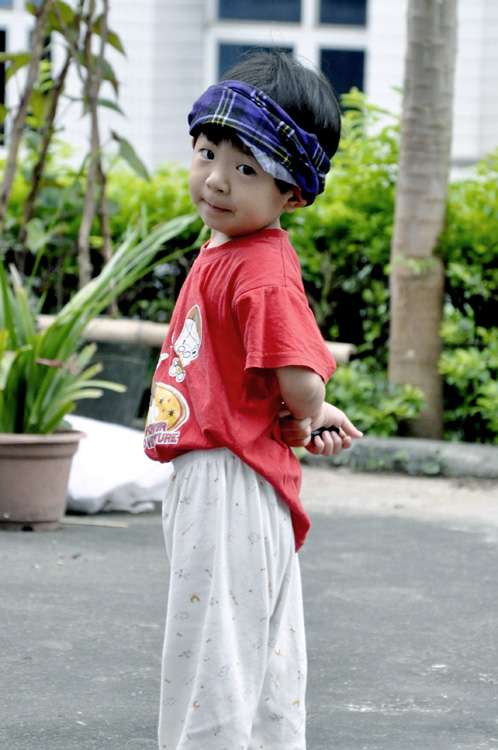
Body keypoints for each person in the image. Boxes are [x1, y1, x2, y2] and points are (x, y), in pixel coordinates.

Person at [144, 50, 363, 750]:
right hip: (235, 470)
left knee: (214, 656)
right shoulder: (232, 250)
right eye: (209, 153)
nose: (216, 178)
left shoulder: (260, 269)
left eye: (247, 169)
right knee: (258, 655)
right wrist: (308, 419)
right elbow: (271, 388)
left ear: (292, 193)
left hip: (225, 482)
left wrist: (312, 405)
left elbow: (302, 382)